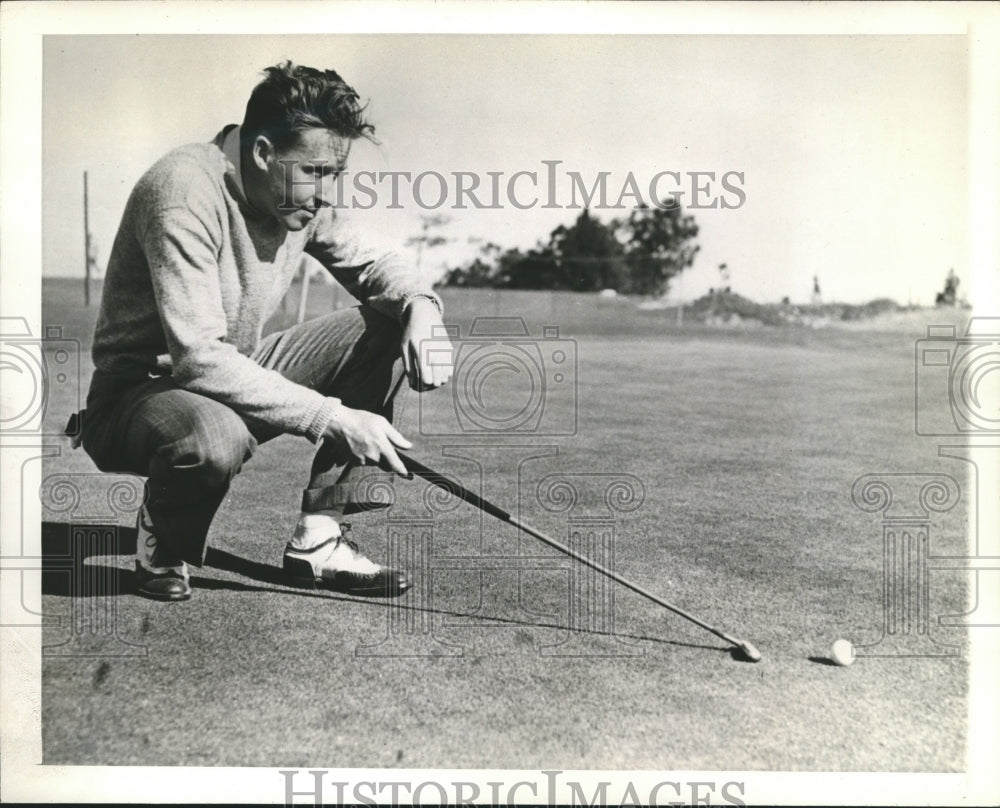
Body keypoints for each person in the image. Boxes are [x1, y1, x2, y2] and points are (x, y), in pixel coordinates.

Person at [72, 62, 453, 602]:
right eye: (316, 171)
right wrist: (333, 417)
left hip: (231, 372)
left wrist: (420, 307)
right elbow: (199, 358)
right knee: (213, 437)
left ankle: (319, 541)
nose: (325, 193)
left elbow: (376, 263)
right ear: (261, 154)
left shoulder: (294, 194)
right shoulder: (182, 190)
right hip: (139, 396)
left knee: (386, 322)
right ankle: (166, 531)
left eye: (333, 174)